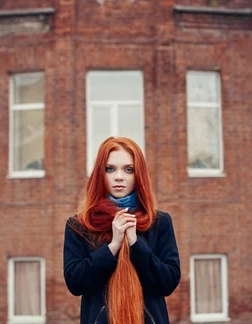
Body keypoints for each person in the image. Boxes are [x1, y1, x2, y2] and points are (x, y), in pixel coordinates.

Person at [63, 136, 181, 324]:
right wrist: (113, 246)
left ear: (138, 174)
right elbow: (75, 283)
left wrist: (135, 243)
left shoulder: (159, 222)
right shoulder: (79, 225)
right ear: (100, 174)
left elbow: (167, 283)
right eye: (110, 169)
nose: (119, 176)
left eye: (129, 169)